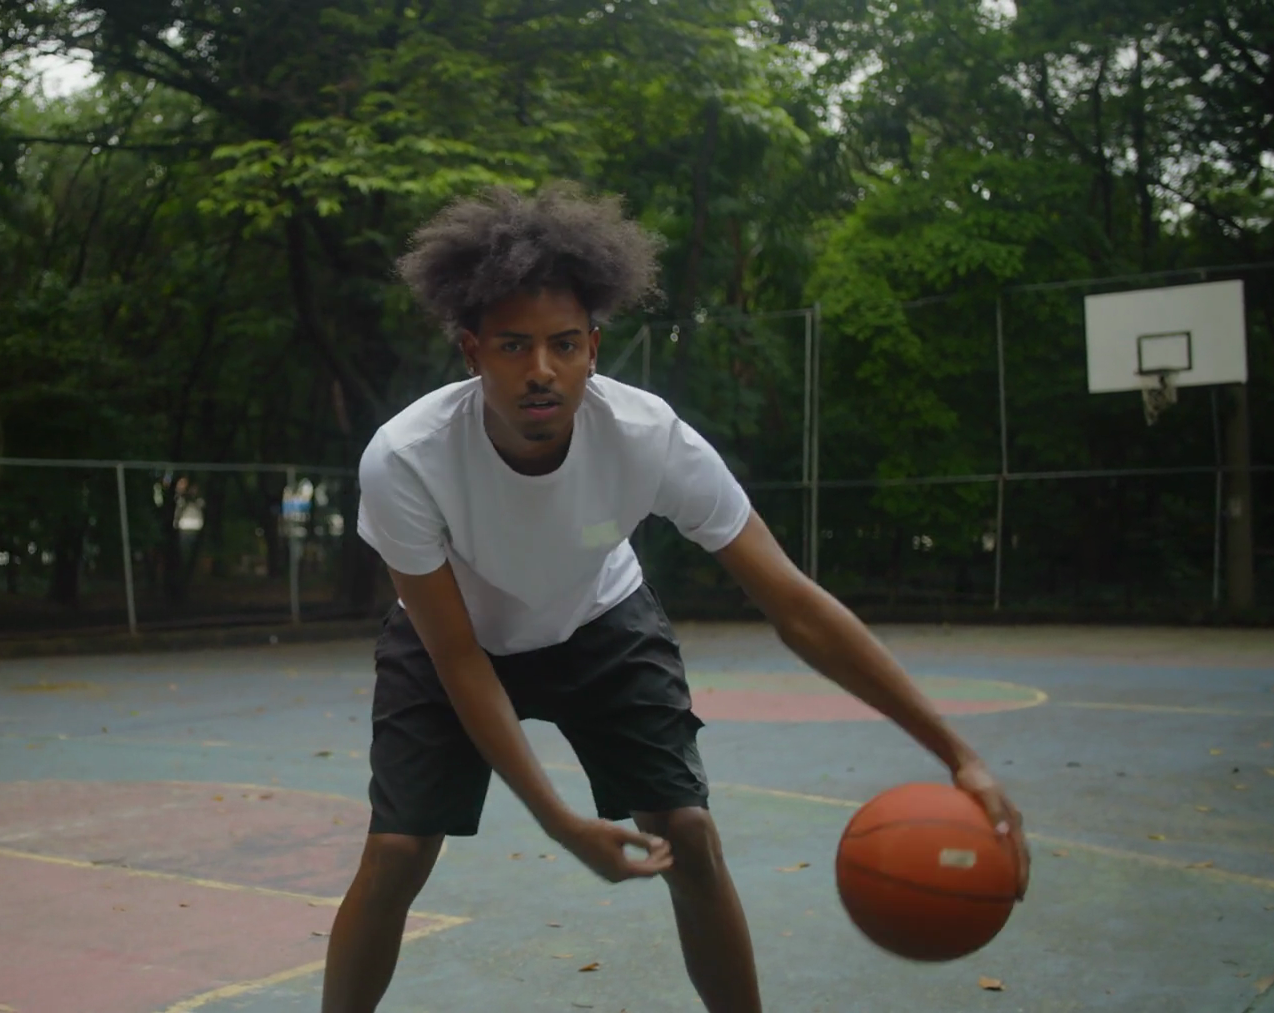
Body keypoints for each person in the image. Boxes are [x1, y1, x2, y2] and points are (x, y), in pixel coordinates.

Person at [320, 182, 1031, 1013]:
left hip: (599, 622)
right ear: (473, 351)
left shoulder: (647, 436)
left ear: (594, 346)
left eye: (562, 344)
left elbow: (794, 604)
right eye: (514, 345)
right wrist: (558, 820)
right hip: (455, 641)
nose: (541, 369)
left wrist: (958, 753)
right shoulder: (406, 458)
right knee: (397, 852)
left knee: (689, 835)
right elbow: (457, 656)